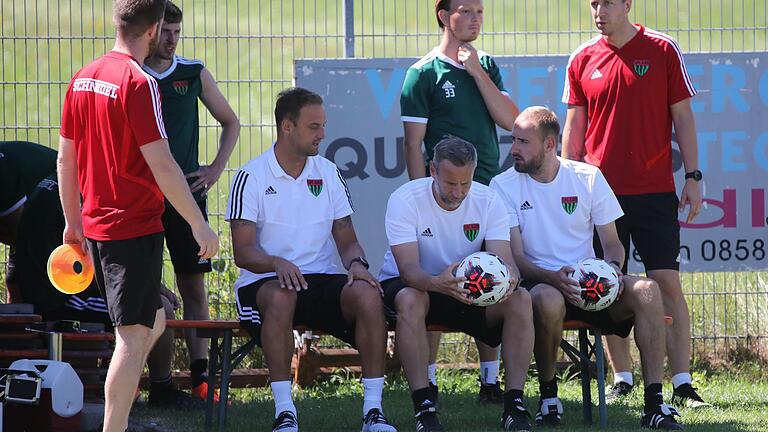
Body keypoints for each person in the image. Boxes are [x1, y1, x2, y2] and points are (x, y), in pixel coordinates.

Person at [58, 0, 219, 430]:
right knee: (130, 339)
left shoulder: (83, 78)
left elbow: (65, 161)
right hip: (131, 225)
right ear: (153, 31)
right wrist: (199, 224)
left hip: (97, 225)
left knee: (155, 317)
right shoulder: (138, 81)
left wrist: (73, 223)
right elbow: (163, 165)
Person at [491, 106, 683, 430]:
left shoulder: (587, 176)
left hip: (591, 287)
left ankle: (654, 404)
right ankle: (549, 396)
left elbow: (613, 243)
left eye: (523, 142)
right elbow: (517, 258)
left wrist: (612, 271)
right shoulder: (502, 185)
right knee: (548, 299)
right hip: (542, 285)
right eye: (514, 140)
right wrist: (553, 277)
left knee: (649, 290)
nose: (514, 149)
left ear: (550, 145)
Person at [561, 0, 706, 407]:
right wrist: (568, 189)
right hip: (599, 195)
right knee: (607, 284)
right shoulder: (581, 58)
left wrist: (693, 177)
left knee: (666, 284)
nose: (598, 10)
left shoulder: (662, 49)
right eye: (593, 3)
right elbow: (574, 131)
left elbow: (684, 118)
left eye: (607, 2)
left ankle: (682, 382)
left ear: (627, 4)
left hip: (655, 191)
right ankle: (622, 378)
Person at [227, 87, 396, 432]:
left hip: (317, 278)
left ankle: (373, 412)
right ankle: (285, 413)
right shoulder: (250, 177)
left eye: (323, 125)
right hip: (264, 282)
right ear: (287, 127)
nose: (323, 134)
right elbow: (243, 253)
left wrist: (357, 266)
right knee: (280, 294)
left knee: (366, 294)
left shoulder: (329, 172)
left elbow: (347, 239)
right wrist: (276, 263)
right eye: (314, 127)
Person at [399, 0, 521, 401]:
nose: (475, 19)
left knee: (491, 276)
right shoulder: (422, 74)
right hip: (443, 196)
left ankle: (490, 380)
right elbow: (414, 146)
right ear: (443, 16)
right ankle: (429, 379)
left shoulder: (486, 65)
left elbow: (510, 120)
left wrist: (476, 71)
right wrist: (423, 197)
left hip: (485, 192)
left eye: (480, 12)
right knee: (436, 275)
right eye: (466, 11)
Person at [380, 136, 534, 432]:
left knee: (521, 299)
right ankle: (424, 407)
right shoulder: (404, 199)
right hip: (419, 286)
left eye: (466, 183)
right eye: (451, 183)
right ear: (433, 171)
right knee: (410, 299)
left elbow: (505, 261)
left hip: (467, 291)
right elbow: (409, 269)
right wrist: (439, 283)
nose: (459, 192)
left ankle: (514, 404)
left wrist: (510, 279)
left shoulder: (489, 200)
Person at [14, 174, 202, 408]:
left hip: (42, 292)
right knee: (157, 309)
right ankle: (161, 390)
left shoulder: (55, 184)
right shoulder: (85, 196)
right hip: (62, 298)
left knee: (146, 302)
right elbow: (99, 267)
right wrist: (152, 289)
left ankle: (127, 388)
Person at [143, 1, 240, 401]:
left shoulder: (192, 73)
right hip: (142, 199)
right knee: (142, 289)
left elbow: (231, 122)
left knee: (193, 289)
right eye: (165, 31)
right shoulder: (133, 75)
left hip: (186, 198)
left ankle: (201, 380)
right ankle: (146, 379)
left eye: (177, 33)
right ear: (150, 31)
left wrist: (215, 169)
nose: (171, 40)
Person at [0, 141, 57, 303]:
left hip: (63, 186)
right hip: (34, 199)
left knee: (30, 261)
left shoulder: (4, 178)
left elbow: (18, 235)